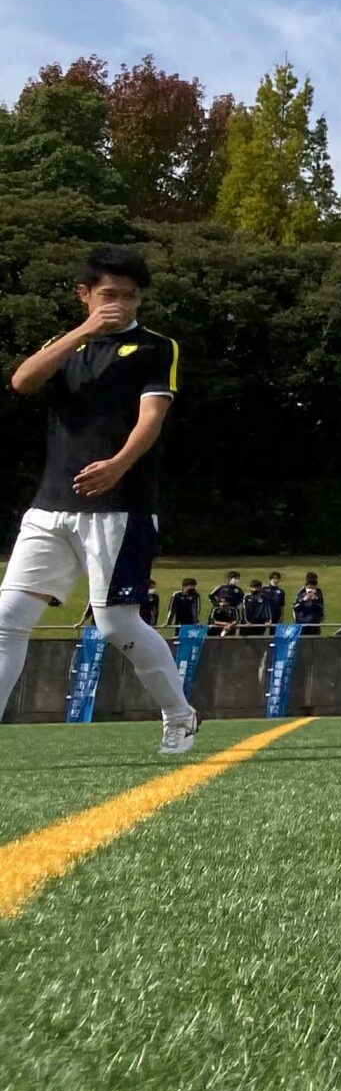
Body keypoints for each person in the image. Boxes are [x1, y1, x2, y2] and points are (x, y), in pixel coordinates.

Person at [0, 245, 198, 752]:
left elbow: (151, 418)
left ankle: (179, 714)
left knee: (115, 624)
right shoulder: (65, 345)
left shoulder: (157, 347)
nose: (121, 304)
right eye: (109, 294)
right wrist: (83, 332)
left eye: (130, 296)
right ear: (84, 295)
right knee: (7, 619)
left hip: (120, 505)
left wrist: (119, 464)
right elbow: (22, 381)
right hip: (50, 505)